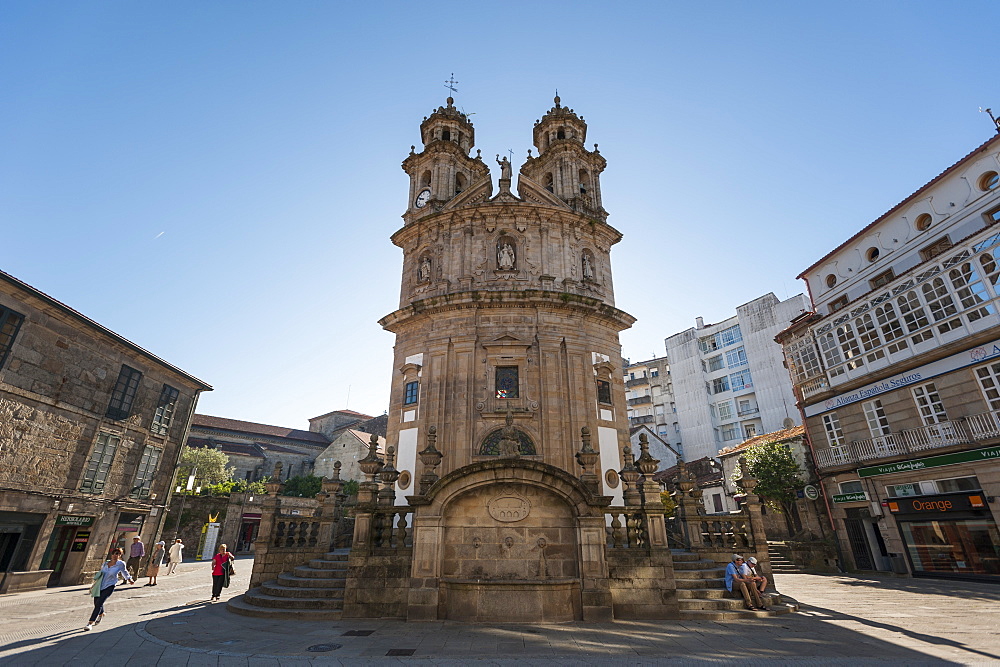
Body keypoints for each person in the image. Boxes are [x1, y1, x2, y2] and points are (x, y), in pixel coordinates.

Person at [85, 548, 134, 630]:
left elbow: (124, 571)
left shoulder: (120, 564)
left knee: (99, 603)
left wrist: (129, 579)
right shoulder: (105, 564)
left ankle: (90, 623)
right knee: (97, 603)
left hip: (110, 586)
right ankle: (101, 614)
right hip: (100, 585)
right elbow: (101, 574)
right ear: (111, 554)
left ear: (120, 555)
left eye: (118, 554)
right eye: (114, 553)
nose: (116, 555)